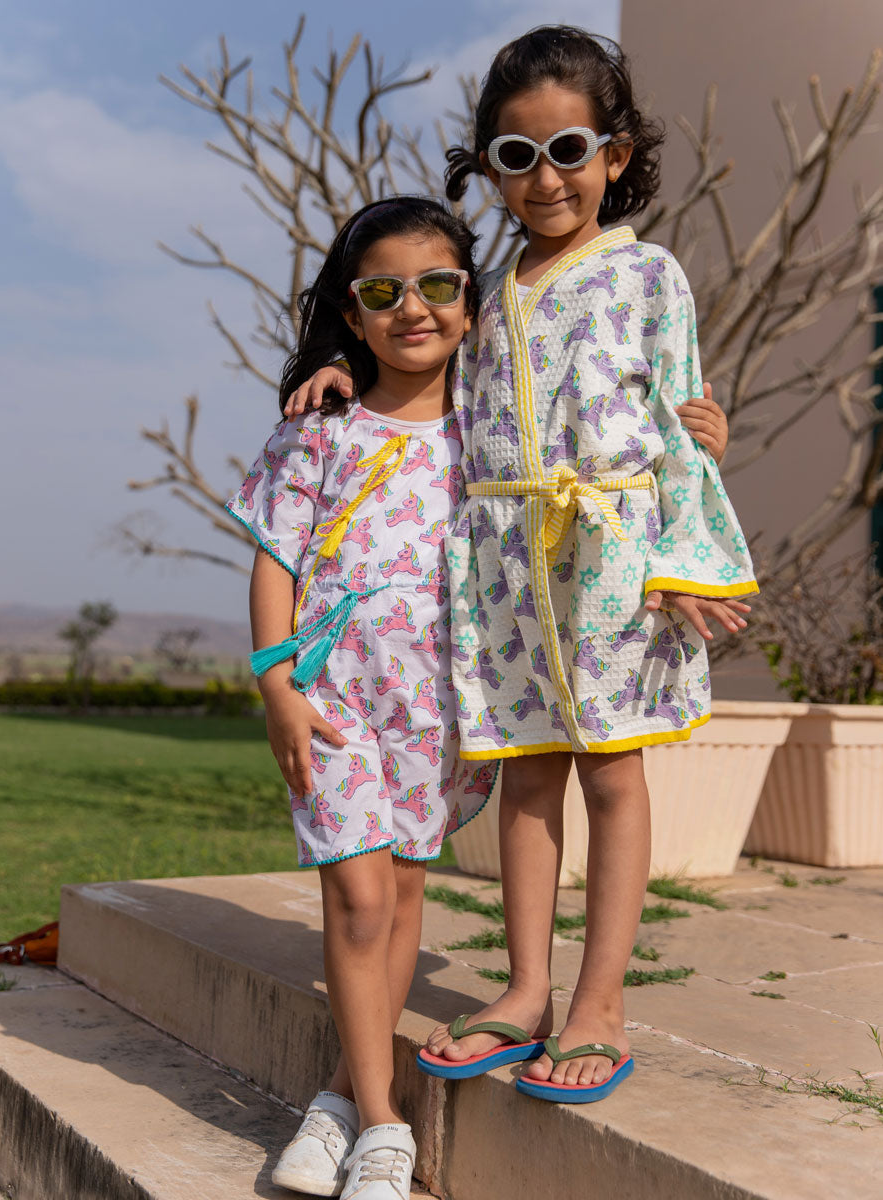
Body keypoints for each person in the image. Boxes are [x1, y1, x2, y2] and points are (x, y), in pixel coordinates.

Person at [285, 25, 757, 1108]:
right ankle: (527, 986)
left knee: (612, 771)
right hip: (503, 564)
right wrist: (336, 369)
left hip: (614, 559)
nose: (546, 179)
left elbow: (679, 423)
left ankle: (601, 1003)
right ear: (489, 167)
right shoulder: (484, 293)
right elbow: (414, 370)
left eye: (570, 150)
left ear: (616, 155)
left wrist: (689, 552)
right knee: (529, 771)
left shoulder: (649, 276)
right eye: (517, 156)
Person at [229, 196, 498, 1199]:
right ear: (353, 311)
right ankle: (387, 1126)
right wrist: (277, 684)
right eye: (383, 292)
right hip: (330, 699)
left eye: (437, 286)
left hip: (440, 705)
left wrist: (693, 436)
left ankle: (339, 1101)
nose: (412, 308)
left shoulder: (492, 435)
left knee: (406, 893)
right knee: (360, 896)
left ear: (470, 301)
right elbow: (274, 557)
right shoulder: (320, 429)